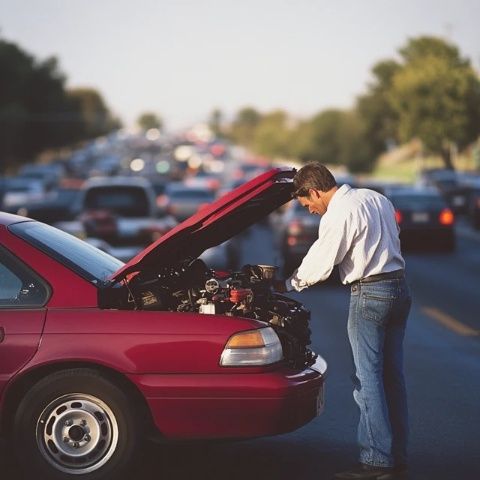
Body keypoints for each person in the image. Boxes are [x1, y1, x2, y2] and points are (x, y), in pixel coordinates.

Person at [273, 163, 411, 480]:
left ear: (315, 191)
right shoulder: (375, 198)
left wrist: (289, 284)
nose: (310, 211)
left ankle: (377, 460)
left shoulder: (339, 212)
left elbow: (322, 260)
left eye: (307, 204)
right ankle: (396, 455)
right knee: (392, 377)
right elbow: (393, 236)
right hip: (399, 288)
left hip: (370, 293)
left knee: (367, 380)